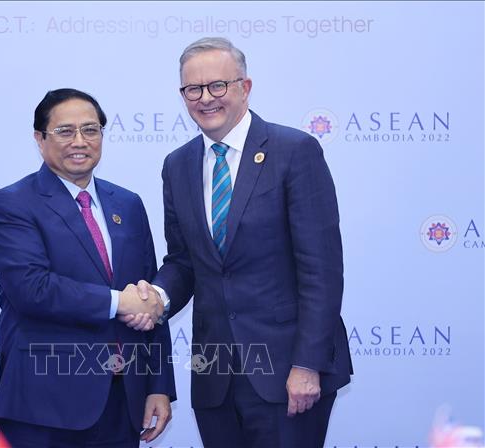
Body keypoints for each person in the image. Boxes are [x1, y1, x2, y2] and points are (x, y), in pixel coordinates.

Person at [128, 37, 353, 447]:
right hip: (214, 376)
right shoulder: (177, 165)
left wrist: (307, 364)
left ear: (245, 87)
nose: (205, 98)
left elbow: (321, 270)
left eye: (218, 85)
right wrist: (157, 297)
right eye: (193, 89)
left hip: (288, 373)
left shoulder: (294, 151)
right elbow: (184, 261)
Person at [0, 88, 175, 448]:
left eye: (90, 130)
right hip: (44, 405)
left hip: (123, 401)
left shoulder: (128, 204)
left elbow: (148, 295)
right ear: (39, 138)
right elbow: (32, 290)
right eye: (64, 131)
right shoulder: (13, 204)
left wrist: (159, 386)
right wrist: (119, 302)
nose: (80, 141)